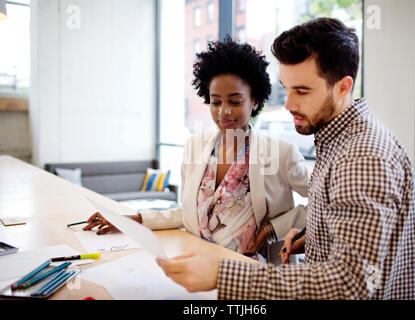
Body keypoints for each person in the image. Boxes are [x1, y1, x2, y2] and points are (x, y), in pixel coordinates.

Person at [156, 17, 415, 300]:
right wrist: (315, 237)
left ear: (343, 87)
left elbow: (350, 284)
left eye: (302, 91)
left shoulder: (362, 157)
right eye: (287, 88)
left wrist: (222, 274)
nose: (289, 104)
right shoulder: (338, 143)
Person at [83, 36, 310, 260]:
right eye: (216, 102)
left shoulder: (282, 153)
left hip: (255, 276)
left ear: (255, 100)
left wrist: (274, 228)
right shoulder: (196, 146)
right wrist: (133, 220)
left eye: (235, 101)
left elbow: (325, 207)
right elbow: (190, 213)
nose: (223, 111)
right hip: (200, 268)